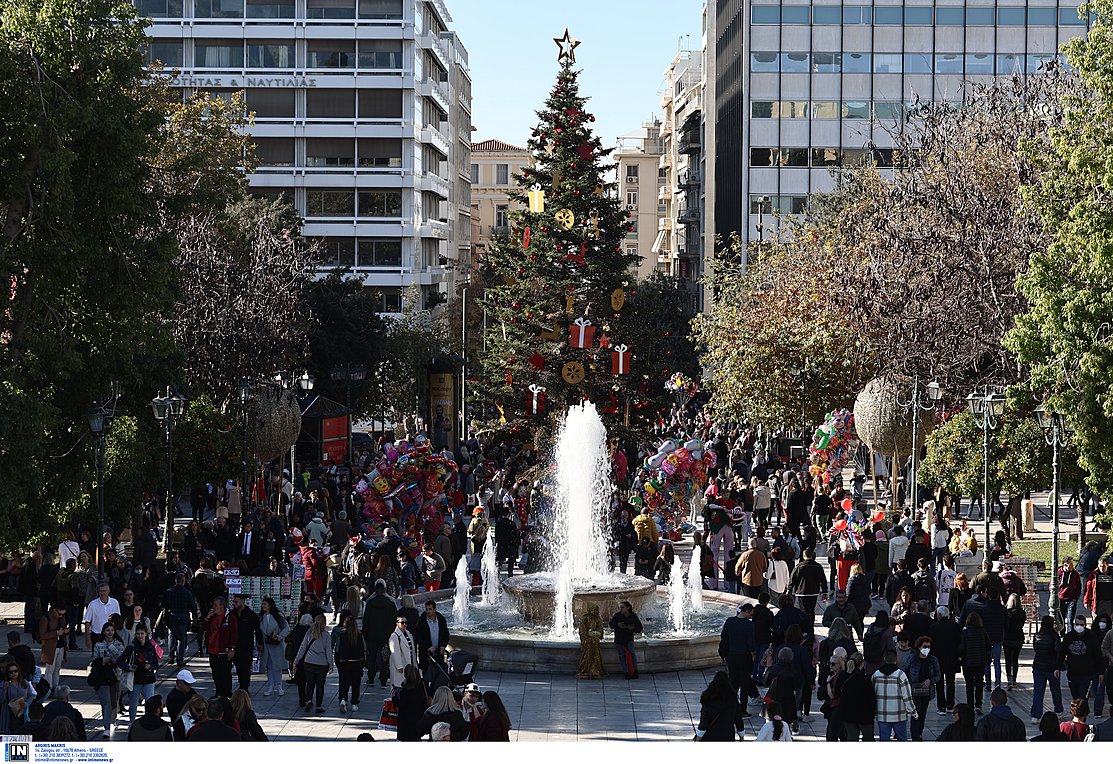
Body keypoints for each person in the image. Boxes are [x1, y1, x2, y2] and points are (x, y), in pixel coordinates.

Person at [1059, 613, 1103, 708]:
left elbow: (1098, 655)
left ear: (1085, 625)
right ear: (1074, 625)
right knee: (1075, 698)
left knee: (1082, 698)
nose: (1079, 627)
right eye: (1077, 624)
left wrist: (1101, 672)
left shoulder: (1091, 637)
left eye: (1081, 625)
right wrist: (1058, 667)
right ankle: (1076, 715)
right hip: (1072, 672)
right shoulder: (1069, 637)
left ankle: (1082, 717)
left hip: (1087, 674)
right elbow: (1062, 652)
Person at [901, 635, 940, 741]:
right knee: (916, 713)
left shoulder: (933, 660)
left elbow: (938, 675)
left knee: (923, 714)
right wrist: (909, 683)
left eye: (929, 647)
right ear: (919, 647)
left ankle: (919, 732)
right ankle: (915, 735)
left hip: (927, 691)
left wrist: (930, 681)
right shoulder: (912, 658)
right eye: (924, 646)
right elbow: (904, 671)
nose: (927, 649)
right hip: (914, 690)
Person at [871, 647, 914, 741]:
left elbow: (872, 693)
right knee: (902, 739)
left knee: (884, 739)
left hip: (882, 715)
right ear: (896, 659)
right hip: (899, 715)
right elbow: (907, 696)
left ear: (884, 659)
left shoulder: (876, 674)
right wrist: (913, 711)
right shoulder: (900, 674)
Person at [119, 622, 159, 724]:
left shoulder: (151, 646)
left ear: (146, 634)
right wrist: (128, 668)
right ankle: (132, 723)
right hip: (135, 679)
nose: (140, 636)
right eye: (138, 634)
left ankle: (147, 723)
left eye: (142, 633)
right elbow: (120, 661)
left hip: (149, 679)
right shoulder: (131, 647)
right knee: (133, 705)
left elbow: (156, 664)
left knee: (149, 704)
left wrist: (150, 667)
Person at [361, 580, 397, 688]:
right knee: (384, 658)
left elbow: (365, 621)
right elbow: (394, 620)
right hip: (386, 636)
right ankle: (383, 680)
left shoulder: (370, 603)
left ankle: (371, 679)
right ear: (385, 589)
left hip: (372, 636)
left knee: (371, 658)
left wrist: (366, 635)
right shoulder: (391, 603)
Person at [90, 623, 124, 737]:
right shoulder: (98, 644)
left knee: (114, 702)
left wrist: (111, 647)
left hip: (116, 676)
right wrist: (103, 660)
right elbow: (94, 660)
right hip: (102, 677)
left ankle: (112, 720)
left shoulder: (118, 644)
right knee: (106, 702)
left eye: (112, 630)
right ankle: (106, 727)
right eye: (107, 630)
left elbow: (121, 657)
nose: (110, 632)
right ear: (104, 632)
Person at [295, 614, 333, 713]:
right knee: (320, 686)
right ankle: (319, 706)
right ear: (324, 624)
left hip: (309, 662)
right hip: (322, 664)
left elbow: (302, 648)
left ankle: (309, 700)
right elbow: (329, 651)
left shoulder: (309, 633)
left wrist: (296, 660)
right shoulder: (326, 635)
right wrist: (331, 664)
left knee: (310, 684)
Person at [202, 597, 237, 699]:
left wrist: (232, 648)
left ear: (222, 606)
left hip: (223, 651)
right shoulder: (213, 616)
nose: (214, 607)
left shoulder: (229, 617)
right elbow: (205, 628)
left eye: (216, 605)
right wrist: (207, 617)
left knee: (225, 673)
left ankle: (227, 694)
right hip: (213, 650)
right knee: (216, 673)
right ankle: (218, 692)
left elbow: (234, 634)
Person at [694, 671, 744, 741]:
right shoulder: (733, 701)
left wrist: (698, 738)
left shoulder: (708, 701)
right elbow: (738, 720)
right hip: (728, 736)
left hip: (710, 737)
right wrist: (741, 736)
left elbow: (704, 722)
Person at [332, 610, 364, 712]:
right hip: (357, 661)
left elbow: (337, 649)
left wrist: (338, 659)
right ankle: (354, 703)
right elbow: (364, 648)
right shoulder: (359, 635)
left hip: (344, 661)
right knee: (356, 683)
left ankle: (343, 699)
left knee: (343, 681)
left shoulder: (341, 634)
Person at [258, 597, 289, 697]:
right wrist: (259, 644)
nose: (263, 606)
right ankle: (270, 686)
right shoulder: (260, 617)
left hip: (276, 645)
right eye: (262, 604)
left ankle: (279, 686)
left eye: (265, 604)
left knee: (277, 666)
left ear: (270, 605)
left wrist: (279, 637)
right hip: (266, 645)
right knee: (269, 666)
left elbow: (286, 628)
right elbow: (258, 633)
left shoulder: (278, 616)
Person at [230, 594, 261, 692]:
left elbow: (257, 629)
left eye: (236, 601)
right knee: (238, 667)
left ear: (242, 601)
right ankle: (242, 685)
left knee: (245, 668)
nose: (234, 603)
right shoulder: (232, 614)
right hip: (235, 646)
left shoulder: (250, 614)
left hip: (246, 646)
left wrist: (260, 643)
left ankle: (245, 688)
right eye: (233, 601)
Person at [38, 602, 68, 695]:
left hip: (60, 645)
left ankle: (56, 687)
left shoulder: (61, 618)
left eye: (63, 614)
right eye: (59, 614)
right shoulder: (46, 618)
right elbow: (42, 635)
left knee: (57, 668)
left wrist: (65, 631)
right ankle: (48, 688)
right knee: (50, 668)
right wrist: (56, 633)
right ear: (55, 610)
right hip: (50, 647)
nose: (61, 616)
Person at [789, 548, 828, 620]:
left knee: (803, 611)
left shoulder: (799, 566)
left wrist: (790, 589)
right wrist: (824, 592)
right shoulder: (818, 566)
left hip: (801, 592)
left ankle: (805, 627)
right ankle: (811, 626)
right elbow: (823, 580)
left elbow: (792, 579)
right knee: (811, 611)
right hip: (814, 592)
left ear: (804, 555)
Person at [608, 601, 643, 680]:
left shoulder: (633, 616)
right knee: (622, 656)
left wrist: (633, 628)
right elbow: (611, 624)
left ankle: (635, 671)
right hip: (619, 639)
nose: (621, 609)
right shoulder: (617, 616)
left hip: (629, 639)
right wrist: (617, 624)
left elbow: (639, 628)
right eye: (620, 607)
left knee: (632, 653)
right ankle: (626, 672)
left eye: (622, 607)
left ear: (628, 608)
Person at [395, 664, 430, 742]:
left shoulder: (405, 691)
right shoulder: (422, 686)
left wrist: (395, 697)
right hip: (418, 720)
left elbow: (400, 704)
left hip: (406, 724)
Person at [415, 600, 450, 672]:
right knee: (426, 673)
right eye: (426, 609)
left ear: (434, 609)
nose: (428, 611)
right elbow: (418, 637)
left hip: (439, 652)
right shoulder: (421, 621)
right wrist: (428, 647)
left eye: (430, 609)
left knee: (439, 673)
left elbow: (446, 634)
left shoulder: (441, 619)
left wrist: (443, 645)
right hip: (426, 653)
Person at [83, 583, 120, 650]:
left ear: (108, 592)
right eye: (100, 591)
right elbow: (87, 622)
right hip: (97, 634)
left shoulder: (115, 603)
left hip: (111, 634)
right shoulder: (92, 604)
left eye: (104, 591)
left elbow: (117, 620)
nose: (102, 593)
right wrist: (87, 638)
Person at [166, 669, 197, 741]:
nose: (190, 686)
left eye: (191, 684)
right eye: (187, 684)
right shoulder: (173, 698)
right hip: (181, 733)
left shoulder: (190, 691)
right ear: (179, 682)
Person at [577, 604, 607, 679]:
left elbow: (600, 629)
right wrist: (588, 635)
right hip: (586, 640)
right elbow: (582, 630)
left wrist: (597, 633)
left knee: (595, 642)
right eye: (595, 610)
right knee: (590, 643)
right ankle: (586, 669)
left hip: (595, 640)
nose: (597, 612)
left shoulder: (598, 619)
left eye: (597, 610)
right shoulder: (584, 618)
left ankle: (595, 669)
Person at [388, 613, 417, 691]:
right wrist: (399, 666)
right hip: (401, 666)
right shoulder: (394, 636)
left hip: (409, 664)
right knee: (399, 685)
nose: (404, 624)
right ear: (397, 623)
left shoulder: (408, 633)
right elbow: (395, 652)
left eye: (405, 622)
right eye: (402, 622)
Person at [1003, 593, 1026, 689]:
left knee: (1008, 659)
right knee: (1015, 659)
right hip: (1018, 638)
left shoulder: (1006, 612)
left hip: (1007, 638)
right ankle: (1014, 679)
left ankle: (1009, 679)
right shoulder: (1022, 612)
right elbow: (1022, 623)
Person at [1055, 556, 1083, 625]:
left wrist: (1075, 598)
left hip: (1071, 599)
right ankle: (1062, 634)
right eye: (1070, 564)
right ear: (1065, 565)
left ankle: (1070, 634)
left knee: (1070, 619)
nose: (1072, 566)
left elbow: (1078, 586)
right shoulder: (1058, 573)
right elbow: (1052, 585)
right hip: (1061, 599)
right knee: (1061, 619)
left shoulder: (1075, 574)